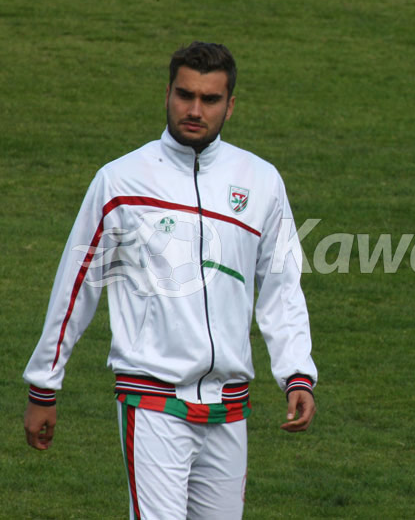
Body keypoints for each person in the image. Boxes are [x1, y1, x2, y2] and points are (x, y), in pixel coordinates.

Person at [23, 41, 318, 520]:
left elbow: (282, 288)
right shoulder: (121, 180)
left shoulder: (261, 181)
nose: (195, 110)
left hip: (230, 408)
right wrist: (44, 386)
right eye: (185, 95)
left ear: (231, 105)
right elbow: (76, 287)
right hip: (152, 401)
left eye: (210, 99)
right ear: (166, 94)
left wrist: (296, 374)